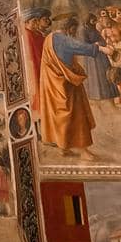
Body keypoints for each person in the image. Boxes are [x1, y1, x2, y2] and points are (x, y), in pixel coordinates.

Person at [38, 17, 102, 159]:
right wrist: (98, 47)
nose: (75, 33)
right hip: (66, 83)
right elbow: (81, 47)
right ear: (70, 28)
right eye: (74, 29)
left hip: (53, 85)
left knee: (60, 115)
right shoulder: (63, 39)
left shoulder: (49, 37)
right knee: (77, 115)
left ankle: (63, 148)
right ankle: (83, 151)